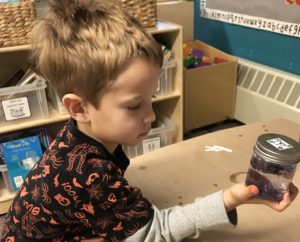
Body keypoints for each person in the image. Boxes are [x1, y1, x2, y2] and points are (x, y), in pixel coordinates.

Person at [0, 0, 298, 242]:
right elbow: (156, 230)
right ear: (79, 108)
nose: (152, 116)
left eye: (151, 98)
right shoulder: (91, 175)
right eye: (134, 106)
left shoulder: (78, 136)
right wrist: (232, 199)